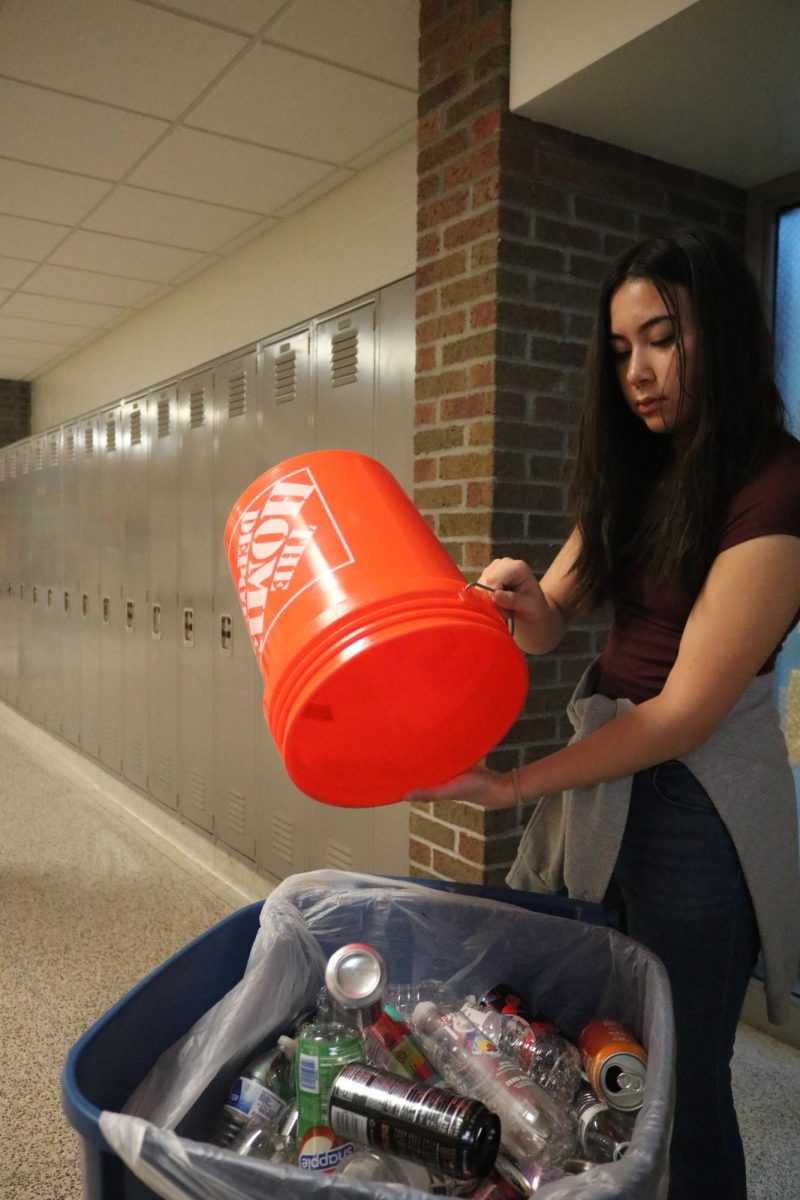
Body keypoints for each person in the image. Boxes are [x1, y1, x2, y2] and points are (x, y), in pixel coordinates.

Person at [406, 227, 800, 1200]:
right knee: (594, 1056)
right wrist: (515, 600)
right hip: (610, 795)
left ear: (722, 334)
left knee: (679, 1081)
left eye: (661, 339)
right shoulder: (636, 464)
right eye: (621, 349)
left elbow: (679, 716)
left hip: (697, 811)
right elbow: (551, 620)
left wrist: (510, 785)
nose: (638, 373)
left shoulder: (774, 486)